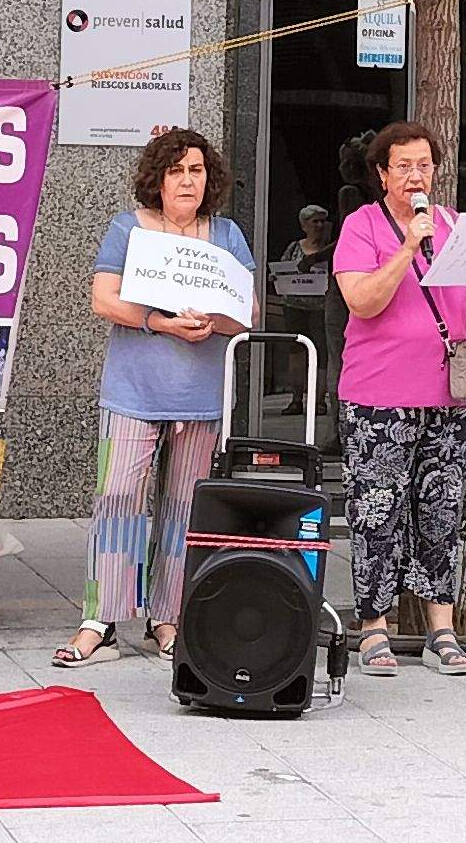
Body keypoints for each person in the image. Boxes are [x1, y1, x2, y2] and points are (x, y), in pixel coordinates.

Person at [53, 129, 255, 668]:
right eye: (176, 171)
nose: (187, 181)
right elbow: (103, 299)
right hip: (133, 392)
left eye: (196, 170)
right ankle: (101, 619)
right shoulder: (129, 227)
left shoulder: (227, 235)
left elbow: (248, 313)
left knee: (185, 507)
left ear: (210, 178)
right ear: (157, 181)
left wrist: (213, 322)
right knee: (117, 495)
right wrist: (159, 322)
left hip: (201, 397)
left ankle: (167, 618)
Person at [333, 122, 466, 677]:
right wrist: (408, 244)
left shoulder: (453, 224)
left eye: (425, 166)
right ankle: (374, 627)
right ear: (382, 173)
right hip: (379, 394)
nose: (416, 176)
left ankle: (442, 628)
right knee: (377, 509)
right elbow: (362, 301)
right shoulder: (362, 225)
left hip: (449, 393)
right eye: (404, 166)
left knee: (441, 508)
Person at [321, 132, 374, 442]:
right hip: (372, 281)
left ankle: (340, 431)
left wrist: (312, 258)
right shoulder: (378, 196)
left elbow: (346, 239)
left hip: (345, 283)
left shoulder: (349, 193)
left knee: (338, 356)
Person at [276, 204, 332, 415]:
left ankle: (318, 401)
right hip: (294, 307)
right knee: (296, 352)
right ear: (304, 225)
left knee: (322, 354)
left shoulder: (328, 250)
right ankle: (296, 399)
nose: (319, 226)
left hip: (321, 308)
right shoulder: (294, 248)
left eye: (322, 221)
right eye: (314, 221)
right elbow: (282, 270)